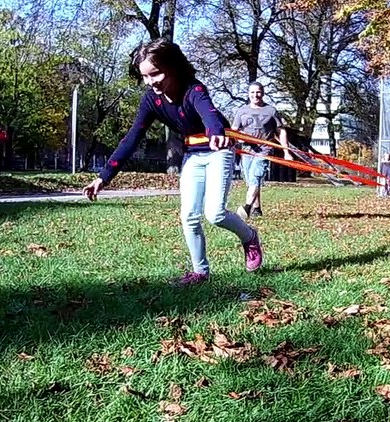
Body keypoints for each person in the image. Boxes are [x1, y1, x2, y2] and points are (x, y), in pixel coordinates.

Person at [82, 39, 263, 286]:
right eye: (144, 76)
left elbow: (208, 113)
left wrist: (216, 131)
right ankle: (200, 273)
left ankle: (249, 236)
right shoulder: (151, 100)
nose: (150, 82)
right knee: (189, 215)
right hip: (193, 155)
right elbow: (132, 138)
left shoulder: (194, 90)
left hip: (219, 150)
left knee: (215, 214)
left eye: (155, 74)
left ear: (173, 66)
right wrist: (103, 178)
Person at [231, 81, 290, 220]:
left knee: (255, 176)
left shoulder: (271, 111)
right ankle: (257, 208)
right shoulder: (242, 111)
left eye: (258, 92)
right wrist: (238, 140)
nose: (255, 95)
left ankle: (246, 208)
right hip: (246, 151)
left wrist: (286, 152)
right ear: (248, 94)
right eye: (252, 92)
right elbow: (234, 131)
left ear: (263, 93)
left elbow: (281, 131)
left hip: (264, 150)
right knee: (251, 181)